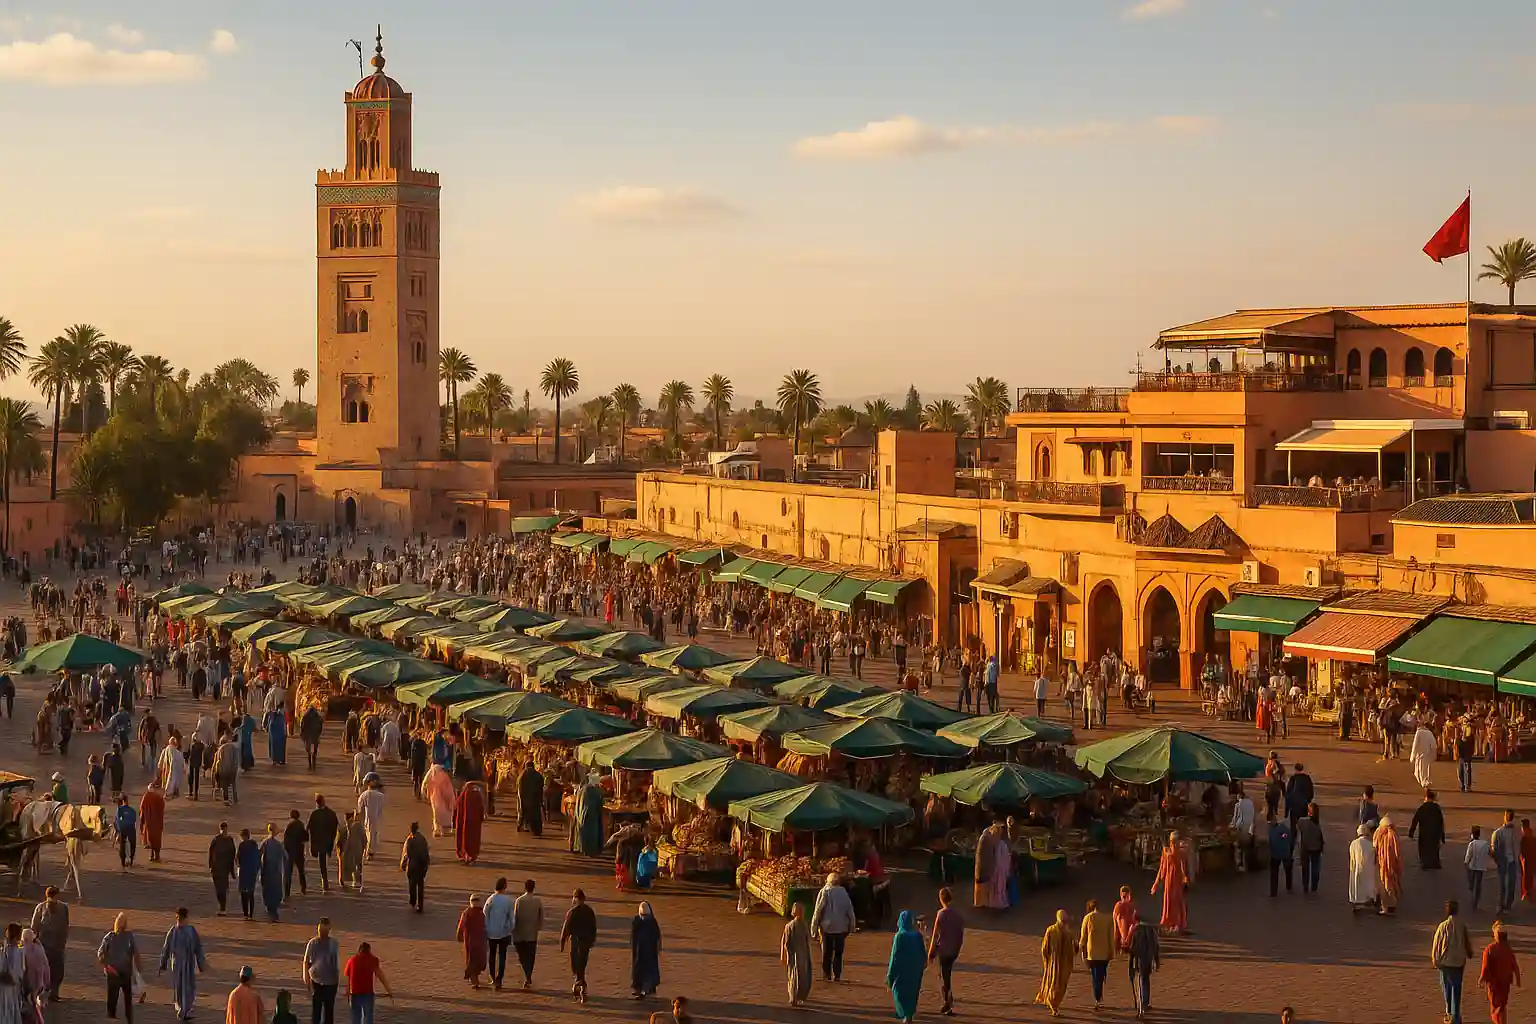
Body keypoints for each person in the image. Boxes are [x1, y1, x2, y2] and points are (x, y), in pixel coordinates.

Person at [156, 907, 205, 1022]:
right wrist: (162, 964)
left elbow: (198, 948)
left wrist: (200, 962)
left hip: (187, 964)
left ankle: (185, 1009)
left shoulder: (189, 931)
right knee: (179, 987)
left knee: (188, 987)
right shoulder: (174, 931)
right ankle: (182, 1009)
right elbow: (166, 949)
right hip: (178, 965)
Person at [1431, 899, 1473, 1024]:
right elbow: (1467, 941)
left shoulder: (1443, 926)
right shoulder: (1462, 925)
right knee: (1457, 988)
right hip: (1459, 962)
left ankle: (1449, 1012)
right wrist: (1468, 952)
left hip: (1445, 962)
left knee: (1446, 987)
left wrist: (1435, 959)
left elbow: (1436, 944)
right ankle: (1456, 1015)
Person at [811, 872, 856, 982]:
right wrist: (852, 925)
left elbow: (818, 911)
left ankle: (827, 975)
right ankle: (837, 975)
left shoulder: (825, 891)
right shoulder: (843, 892)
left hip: (827, 928)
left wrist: (814, 928)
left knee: (827, 953)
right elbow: (850, 910)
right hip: (841, 928)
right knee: (838, 953)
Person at [96, 913, 140, 1022]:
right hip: (119, 971)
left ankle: (115, 1017)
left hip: (118, 971)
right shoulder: (124, 936)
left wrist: (106, 965)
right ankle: (125, 1018)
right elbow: (135, 952)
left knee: (116, 997)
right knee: (122, 997)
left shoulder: (111, 936)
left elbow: (101, 953)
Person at [927, 886, 963, 1016]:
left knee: (943, 976)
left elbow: (935, 935)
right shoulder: (957, 915)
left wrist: (931, 952)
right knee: (946, 974)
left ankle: (947, 1002)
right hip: (953, 950)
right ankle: (949, 999)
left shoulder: (941, 914)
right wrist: (958, 949)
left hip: (943, 950)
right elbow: (960, 935)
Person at [885, 910, 926, 1024]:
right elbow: (923, 953)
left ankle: (906, 1017)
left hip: (902, 971)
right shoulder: (917, 935)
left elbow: (894, 956)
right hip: (915, 970)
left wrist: (890, 976)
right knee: (912, 994)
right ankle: (909, 1016)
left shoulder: (900, 936)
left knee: (899, 993)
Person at [559, 889, 598, 1004]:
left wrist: (562, 942)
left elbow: (565, 928)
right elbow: (593, 928)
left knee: (576, 964)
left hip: (576, 941)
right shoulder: (590, 911)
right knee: (582, 963)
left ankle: (580, 985)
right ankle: (580, 984)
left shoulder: (572, 912)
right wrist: (592, 940)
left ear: (575, 898)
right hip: (586, 942)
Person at [29, 886, 68, 1002]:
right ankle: (47, 992)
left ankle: (51, 992)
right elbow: (34, 926)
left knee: (53, 970)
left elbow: (34, 926)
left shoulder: (60, 908)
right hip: (48, 945)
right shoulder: (44, 908)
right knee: (50, 970)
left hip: (51, 945)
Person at [1034, 908, 1075, 1017]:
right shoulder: (1054, 931)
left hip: (1057, 962)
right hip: (1057, 962)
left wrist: (1046, 959)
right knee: (1056, 984)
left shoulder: (1056, 931)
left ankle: (1054, 1003)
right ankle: (1054, 1005)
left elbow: (1044, 949)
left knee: (1057, 984)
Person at [1479, 921, 1521, 1024]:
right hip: (1506, 981)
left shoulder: (1490, 949)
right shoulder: (1508, 949)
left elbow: (1485, 967)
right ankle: (1503, 1021)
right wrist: (1518, 979)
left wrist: (1481, 979)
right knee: (1502, 1005)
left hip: (1494, 983)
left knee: (1495, 1006)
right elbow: (1514, 966)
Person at [1079, 897, 1115, 1010]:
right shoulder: (1107, 919)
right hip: (1104, 953)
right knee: (1100, 975)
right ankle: (1099, 996)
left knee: (1095, 977)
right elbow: (1111, 938)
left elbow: (1083, 938)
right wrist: (1111, 952)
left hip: (1092, 953)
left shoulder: (1087, 918)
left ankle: (1097, 998)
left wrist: (1081, 950)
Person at [1149, 831, 1188, 934]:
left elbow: (1182, 866)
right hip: (1169, 880)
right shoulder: (1167, 852)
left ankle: (1177, 924)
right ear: (1171, 842)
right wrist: (1156, 883)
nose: (1176, 844)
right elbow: (1162, 868)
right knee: (1169, 901)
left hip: (1177, 881)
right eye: (1175, 842)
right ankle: (1169, 924)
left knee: (1177, 901)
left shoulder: (1180, 852)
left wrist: (1184, 877)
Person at [302, 919, 340, 1024]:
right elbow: (306, 961)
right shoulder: (312, 943)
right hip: (316, 980)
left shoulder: (334, 944)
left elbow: (336, 963)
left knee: (329, 1011)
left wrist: (337, 978)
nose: (321, 933)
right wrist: (306, 977)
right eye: (320, 930)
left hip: (330, 982)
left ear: (329, 930)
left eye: (324, 931)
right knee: (316, 1010)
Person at [343, 942, 391, 1024]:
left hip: (354, 992)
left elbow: (348, 978)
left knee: (356, 1017)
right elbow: (380, 975)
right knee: (368, 1016)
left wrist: (347, 992)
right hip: (368, 992)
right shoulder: (373, 959)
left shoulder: (352, 960)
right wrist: (388, 990)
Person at [511, 878, 543, 991]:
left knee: (522, 955)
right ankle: (528, 975)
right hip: (532, 933)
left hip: (520, 932)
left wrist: (513, 929)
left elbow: (515, 917)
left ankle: (527, 974)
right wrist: (537, 928)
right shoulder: (537, 901)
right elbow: (541, 918)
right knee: (531, 956)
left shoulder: (519, 900)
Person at [1126, 916, 1161, 1019]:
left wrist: (1130, 963)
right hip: (1149, 959)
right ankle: (1145, 1002)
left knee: (1140, 982)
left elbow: (1132, 948)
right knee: (1146, 980)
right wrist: (1157, 961)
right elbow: (1156, 947)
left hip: (1139, 959)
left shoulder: (1136, 930)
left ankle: (1141, 1008)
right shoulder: (1152, 931)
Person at [484, 878, 514, 992]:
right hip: (504, 932)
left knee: (491, 955)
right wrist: (511, 928)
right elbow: (511, 918)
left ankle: (492, 976)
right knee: (502, 956)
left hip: (491, 932)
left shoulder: (491, 899)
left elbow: (485, 914)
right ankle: (499, 978)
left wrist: (486, 928)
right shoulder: (508, 900)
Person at [781, 901, 813, 1008]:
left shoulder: (800, 925)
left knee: (798, 976)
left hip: (799, 954)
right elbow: (786, 942)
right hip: (797, 954)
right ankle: (796, 996)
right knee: (798, 976)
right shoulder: (797, 925)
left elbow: (786, 942)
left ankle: (797, 996)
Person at [1409, 788, 1447, 870]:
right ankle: (1435, 862)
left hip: (1424, 832)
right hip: (1435, 832)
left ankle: (1425, 863)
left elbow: (1415, 820)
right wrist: (1442, 836)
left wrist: (1411, 832)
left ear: (1426, 797)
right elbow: (1441, 822)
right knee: (1434, 848)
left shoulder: (1422, 808)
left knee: (1424, 848)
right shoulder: (1437, 808)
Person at [630, 901, 661, 1000]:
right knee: (639, 969)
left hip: (650, 951)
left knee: (649, 970)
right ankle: (639, 988)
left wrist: (658, 947)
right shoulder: (636, 921)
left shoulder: (652, 922)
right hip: (639, 950)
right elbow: (632, 936)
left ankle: (648, 988)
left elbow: (658, 937)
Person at [308, 795, 340, 894]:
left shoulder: (314, 814)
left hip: (318, 841)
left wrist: (311, 844)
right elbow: (335, 827)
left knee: (322, 862)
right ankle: (328, 880)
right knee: (323, 859)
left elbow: (309, 829)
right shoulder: (331, 813)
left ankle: (324, 880)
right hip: (328, 841)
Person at [1492, 810, 1521, 915]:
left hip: (1503, 861)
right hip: (1513, 860)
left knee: (1502, 884)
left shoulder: (1498, 832)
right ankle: (1508, 905)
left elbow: (1494, 849)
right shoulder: (1518, 831)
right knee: (1511, 884)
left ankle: (1501, 904)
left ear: (1505, 817)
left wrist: (1497, 861)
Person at [570, 772, 605, 857]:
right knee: (592, 834)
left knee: (582, 832)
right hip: (591, 815)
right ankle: (591, 851)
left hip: (581, 814)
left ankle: (583, 848)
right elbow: (600, 802)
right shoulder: (594, 791)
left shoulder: (582, 789)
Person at [457, 894, 489, 990]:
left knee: (471, 960)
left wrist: (459, 935)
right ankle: (475, 980)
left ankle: (474, 980)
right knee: (479, 960)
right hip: (481, 941)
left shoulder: (467, 912)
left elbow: (461, 925)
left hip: (470, 941)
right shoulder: (482, 913)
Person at [259, 824, 288, 922]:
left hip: (267, 869)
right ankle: (274, 906)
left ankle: (269, 906)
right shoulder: (278, 844)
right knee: (276, 888)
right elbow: (285, 856)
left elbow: (259, 854)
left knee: (267, 888)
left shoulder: (265, 842)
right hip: (276, 869)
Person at [400, 822, 431, 912]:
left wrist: (403, 864)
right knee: (420, 886)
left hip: (412, 866)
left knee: (412, 885)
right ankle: (419, 904)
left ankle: (413, 901)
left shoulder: (409, 840)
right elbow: (426, 852)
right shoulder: (422, 839)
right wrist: (426, 864)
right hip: (420, 866)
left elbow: (406, 854)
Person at [208, 822, 237, 915]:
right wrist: (211, 866)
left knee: (223, 888)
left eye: (225, 829)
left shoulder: (230, 840)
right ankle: (221, 904)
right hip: (216, 868)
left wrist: (232, 870)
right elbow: (210, 853)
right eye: (222, 829)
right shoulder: (216, 840)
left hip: (225, 868)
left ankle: (223, 908)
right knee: (218, 888)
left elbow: (233, 854)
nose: (223, 831)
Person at [1348, 823, 1379, 912]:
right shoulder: (1370, 844)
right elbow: (1374, 855)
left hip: (1355, 866)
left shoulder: (1353, 843)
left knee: (1356, 883)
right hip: (1366, 867)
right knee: (1367, 882)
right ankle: (1368, 898)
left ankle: (1355, 900)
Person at [453, 781, 486, 865]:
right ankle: (471, 856)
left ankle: (463, 854)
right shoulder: (476, 794)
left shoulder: (463, 795)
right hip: (474, 823)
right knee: (473, 839)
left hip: (463, 823)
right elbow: (481, 809)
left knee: (464, 838)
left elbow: (456, 809)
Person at [1297, 803, 1325, 894]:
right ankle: (1314, 885)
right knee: (1315, 866)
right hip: (1316, 847)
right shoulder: (1318, 824)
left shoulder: (1303, 822)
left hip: (1305, 847)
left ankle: (1305, 885)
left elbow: (1299, 826)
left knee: (1305, 867)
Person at [283, 810, 309, 901]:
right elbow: (306, 837)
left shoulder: (289, 826)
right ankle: (303, 887)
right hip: (299, 851)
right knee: (301, 871)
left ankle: (287, 891)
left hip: (290, 852)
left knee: (288, 873)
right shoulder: (301, 825)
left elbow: (285, 840)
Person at [1267, 812, 1295, 896]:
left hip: (1275, 854)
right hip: (1284, 852)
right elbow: (1289, 837)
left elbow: (1269, 842)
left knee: (1274, 873)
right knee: (1287, 870)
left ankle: (1273, 891)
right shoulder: (1282, 828)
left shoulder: (1269, 830)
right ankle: (1288, 887)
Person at [236, 829, 261, 920]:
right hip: (252, 872)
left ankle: (245, 913)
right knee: (251, 893)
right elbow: (257, 857)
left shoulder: (242, 845)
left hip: (244, 871)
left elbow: (237, 859)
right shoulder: (254, 844)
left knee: (243, 893)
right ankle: (251, 914)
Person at [1466, 825, 1493, 911]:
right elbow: (1490, 853)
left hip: (1472, 867)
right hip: (1481, 868)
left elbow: (1468, 857)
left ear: (1472, 834)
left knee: (1472, 884)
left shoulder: (1472, 844)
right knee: (1477, 885)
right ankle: (1475, 901)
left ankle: (1473, 900)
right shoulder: (1485, 843)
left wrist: (1466, 865)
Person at [339, 812, 366, 893]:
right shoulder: (358, 826)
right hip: (358, 849)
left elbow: (339, 841)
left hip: (348, 850)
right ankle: (358, 881)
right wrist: (364, 847)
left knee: (350, 865)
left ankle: (345, 881)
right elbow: (364, 838)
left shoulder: (343, 828)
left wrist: (340, 851)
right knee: (358, 865)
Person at [516, 760, 544, 837]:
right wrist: (541, 800)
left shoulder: (522, 775)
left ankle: (520, 826)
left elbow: (519, 787)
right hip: (535, 799)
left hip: (525, 799)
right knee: (535, 815)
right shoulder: (538, 775)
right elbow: (541, 787)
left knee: (523, 813)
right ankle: (536, 831)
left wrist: (521, 798)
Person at [1410, 719, 1438, 789]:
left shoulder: (1419, 732)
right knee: (1426, 769)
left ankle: (1423, 782)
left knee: (1419, 770)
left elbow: (1415, 745)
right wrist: (1434, 755)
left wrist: (1412, 756)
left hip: (1420, 755)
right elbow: (1434, 745)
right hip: (1427, 754)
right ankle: (1426, 781)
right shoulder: (1429, 733)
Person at [115, 794, 139, 869]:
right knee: (132, 844)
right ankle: (131, 859)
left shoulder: (120, 810)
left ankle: (123, 861)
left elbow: (119, 820)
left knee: (122, 845)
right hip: (131, 828)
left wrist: (119, 829)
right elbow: (134, 820)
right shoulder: (131, 810)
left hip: (123, 829)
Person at [1522, 818, 1536, 904]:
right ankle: (1529, 891)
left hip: (1528, 859)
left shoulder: (1525, 838)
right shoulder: (1533, 838)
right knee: (1530, 875)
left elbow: (1522, 851)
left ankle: (1527, 892)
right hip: (1532, 859)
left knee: (1527, 875)